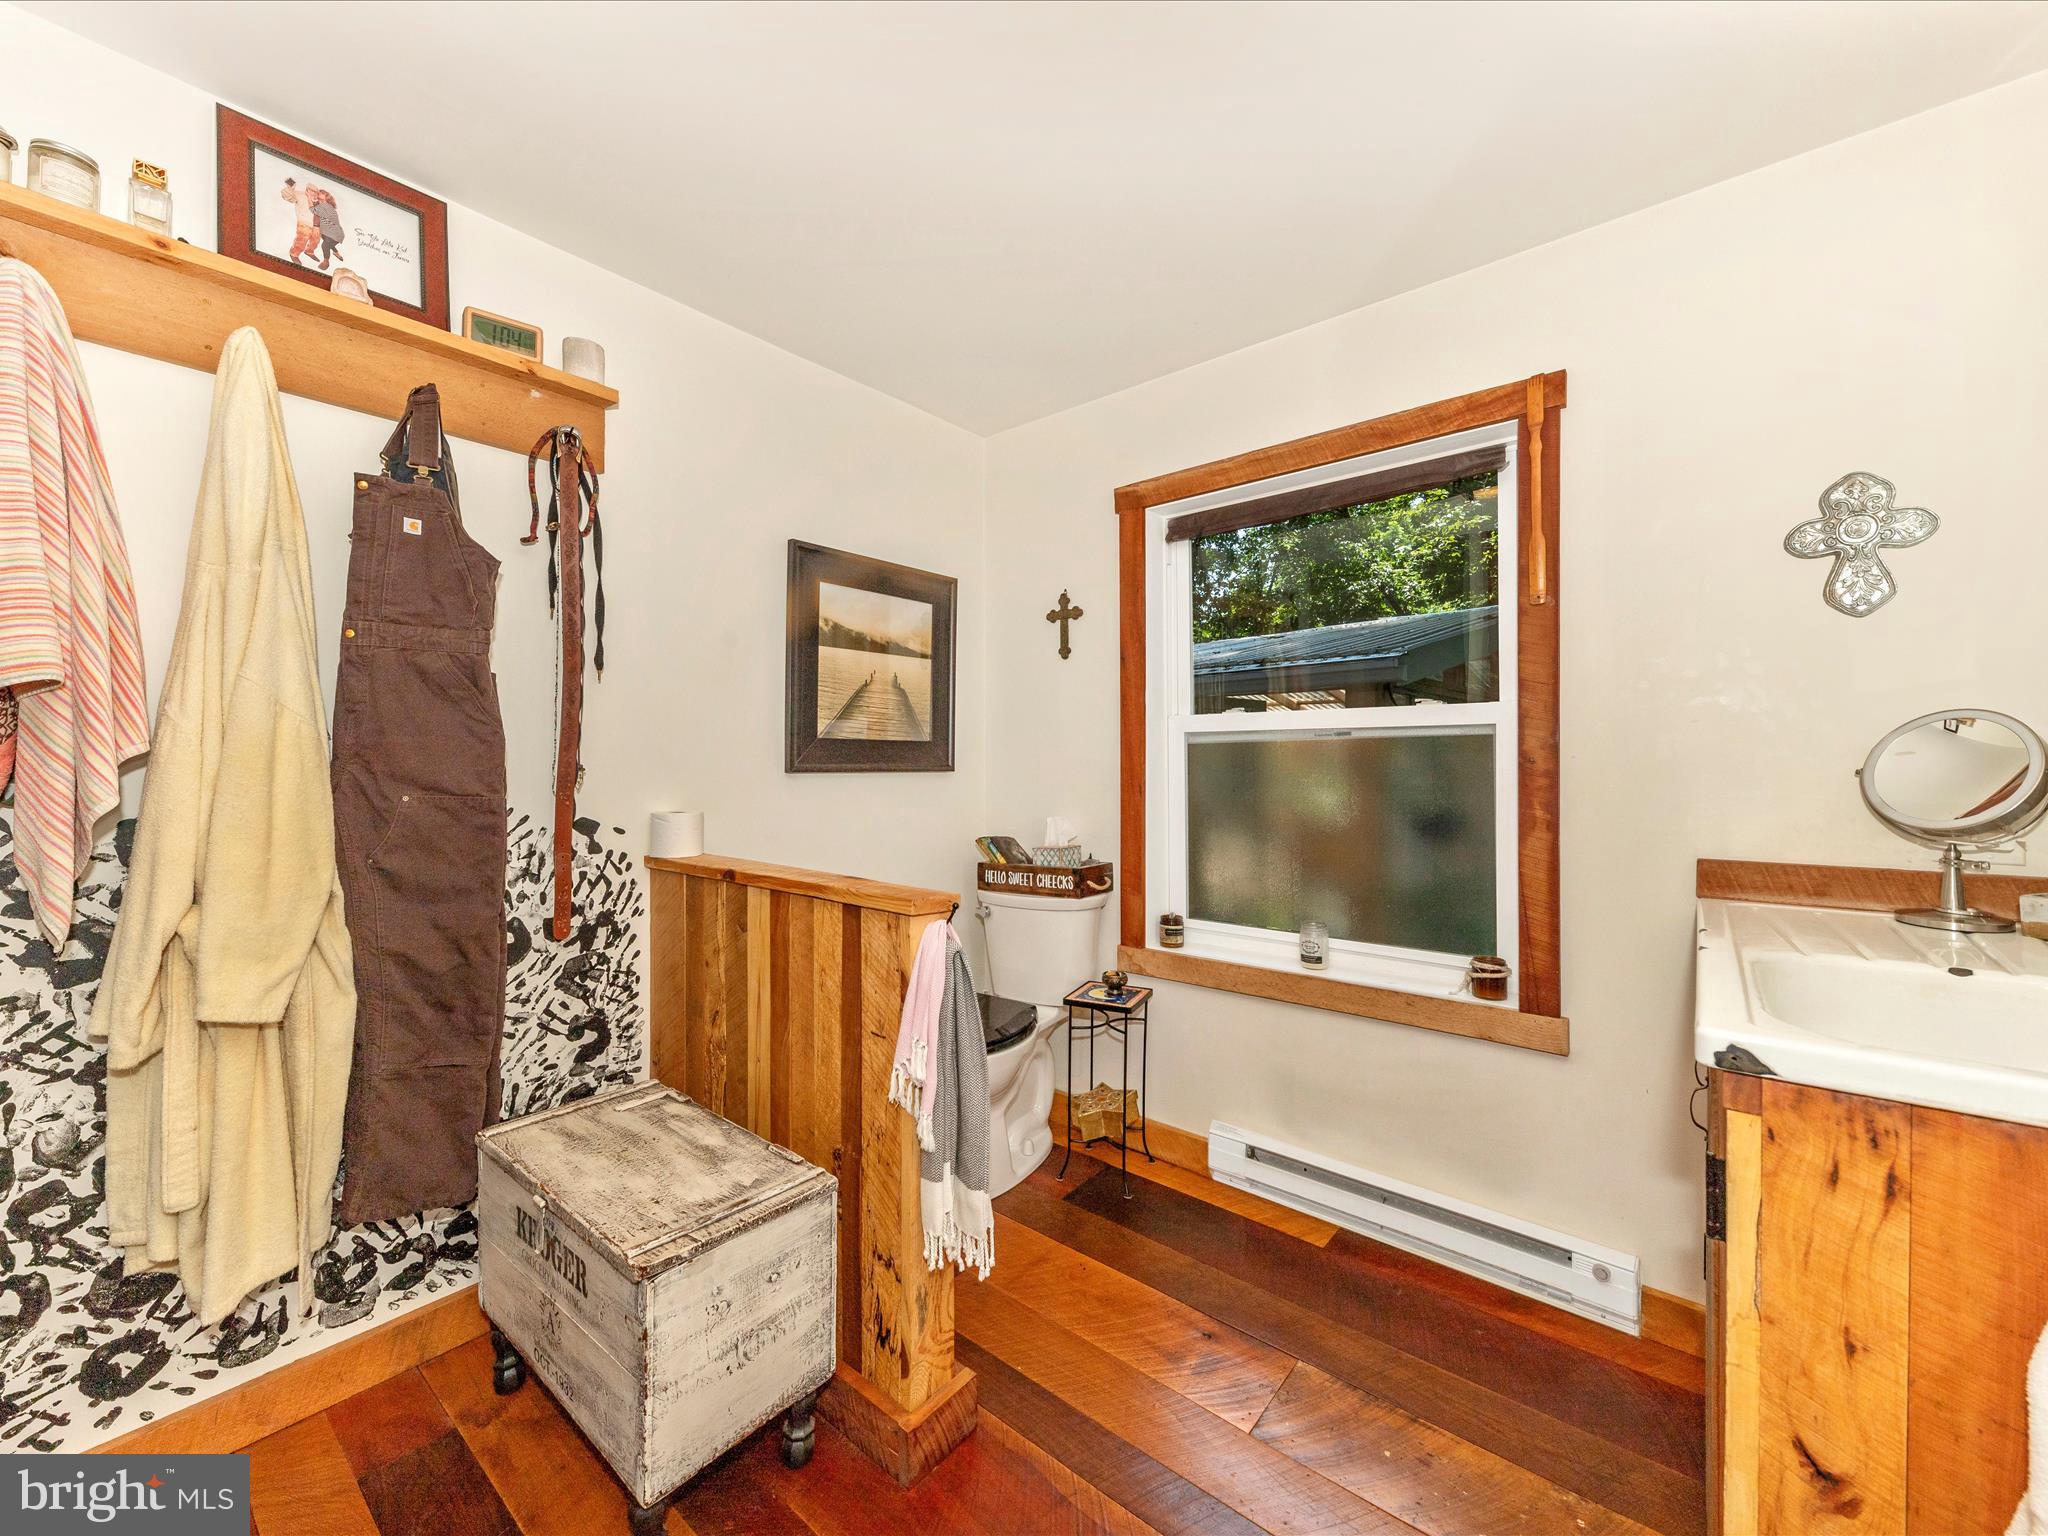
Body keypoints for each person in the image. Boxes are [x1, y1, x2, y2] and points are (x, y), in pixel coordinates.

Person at [280, 177, 318, 266]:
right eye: (311, 191)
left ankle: (309, 251)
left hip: (316, 225)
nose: (313, 193)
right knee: (302, 240)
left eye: (315, 192)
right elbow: (288, 196)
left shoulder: (317, 200)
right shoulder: (300, 195)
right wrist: (290, 188)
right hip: (304, 223)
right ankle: (294, 254)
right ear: (307, 190)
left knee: (315, 239)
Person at [309, 186, 344, 270]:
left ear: (327, 201)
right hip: (327, 232)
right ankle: (336, 253)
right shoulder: (323, 206)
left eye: (322, 200)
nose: (320, 201)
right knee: (327, 242)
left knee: (325, 245)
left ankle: (326, 262)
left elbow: (313, 210)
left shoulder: (327, 207)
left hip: (335, 234)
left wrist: (309, 198)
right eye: (319, 199)